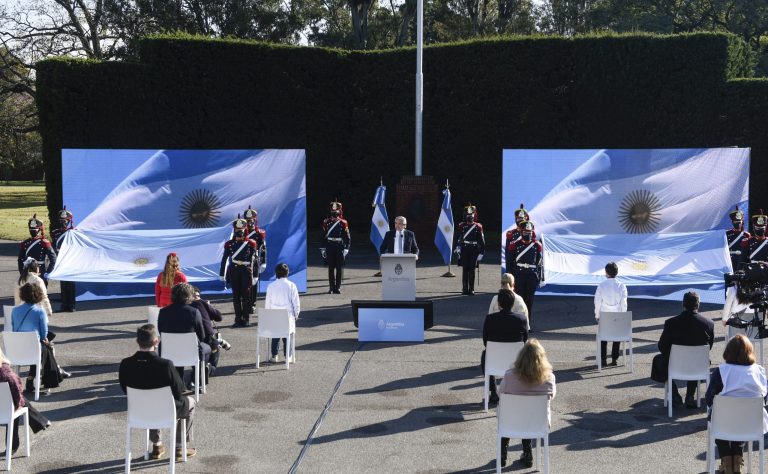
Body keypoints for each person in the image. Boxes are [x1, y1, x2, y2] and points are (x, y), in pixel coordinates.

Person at [119, 324, 196, 461]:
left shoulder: (125, 363)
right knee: (190, 402)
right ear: (156, 341)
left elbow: (124, 388)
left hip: (139, 411)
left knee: (149, 401)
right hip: (166, 410)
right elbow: (178, 391)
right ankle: (179, 446)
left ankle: (157, 445)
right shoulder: (165, 364)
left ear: (138, 341)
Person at [705, 334, 768, 474]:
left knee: (719, 416)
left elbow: (709, 398)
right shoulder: (759, 371)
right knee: (742, 418)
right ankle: (737, 459)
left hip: (724, 422)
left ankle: (726, 460)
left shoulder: (721, 371)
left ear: (728, 351)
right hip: (751, 424)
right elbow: (765, 399)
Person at [498, 339, 556, 468]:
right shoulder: (549, 378)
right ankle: (527, 452)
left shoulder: (509, 376)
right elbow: (551, 397)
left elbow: (500, 394)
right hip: (538, 423)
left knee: (508, 411)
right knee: (530, 412)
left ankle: (502, 453)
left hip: (511, 422)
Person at [657, 291, 714, 408]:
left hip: (675, 364)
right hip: (698, 364)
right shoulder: (708, 324)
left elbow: (662, 346)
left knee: (659, 360)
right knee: (697, 358)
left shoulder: (671, 323)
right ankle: (690, 395)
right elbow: (709, 347)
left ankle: (674, 393)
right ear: (698, 305)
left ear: (683, 304)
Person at [11, 283, 65, 393]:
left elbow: (14, 328)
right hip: (33, 347)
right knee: (47, 345)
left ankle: (31, 379)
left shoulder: (15, 310)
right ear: (38, 295)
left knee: (41, 345)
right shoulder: (39, 311)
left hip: (18, 347)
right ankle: (54, 374)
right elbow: (44, 334)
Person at [0, 346, 51, 455]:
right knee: (15, 403)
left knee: (13, 401)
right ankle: (12, 447)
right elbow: (17, 390)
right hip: (4, 410)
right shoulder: (5, 373)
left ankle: (41, 421)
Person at [157, 283, 211, 384]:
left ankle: (178, 382)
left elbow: (161, 331)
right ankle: (197, 380)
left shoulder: (163, 312)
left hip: (168, 350)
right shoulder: (194, 312)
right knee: (207, 348)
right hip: (190, 350)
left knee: (177, 350)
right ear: (189, 296)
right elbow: (201, 336)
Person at [481, 289, 528, 406]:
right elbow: (525, 340)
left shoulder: (490, 319)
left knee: (485, 355)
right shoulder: (521, 320)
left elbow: (485, 341)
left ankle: (493, 391)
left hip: (494, 362)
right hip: (516, 361)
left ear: (499, 304)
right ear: (513, 303)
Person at [219, 218, 259, 328]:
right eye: (237, 232)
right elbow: (224, 259)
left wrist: (255, 275)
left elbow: (255, 261)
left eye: (241, 232)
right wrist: (222, 273)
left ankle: (246, 318)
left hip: (246, 271)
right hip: (234, 271)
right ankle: (238, 318)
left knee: (246, 296)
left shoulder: (251, 243)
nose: (239, 235)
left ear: (244, 231)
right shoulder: (229, 244)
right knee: (236, 296)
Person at [508, 221, 543, 328]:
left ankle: (527, 324)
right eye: (525, 232)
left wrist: (540, 278)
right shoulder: (515, 245)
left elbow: (540, 263)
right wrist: (511, 277)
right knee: (519, 300)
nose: (528, 234)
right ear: (521, 232)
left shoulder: (537, 245)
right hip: (519, 275)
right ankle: (518, 324)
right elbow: (510, 262)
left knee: (529, 301)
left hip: (531, 276)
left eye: (529, 232)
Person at [265, 263, 300, 363]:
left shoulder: (271, 286)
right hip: (287, 317)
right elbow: (296, 303)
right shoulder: (292, 286)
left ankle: (274, 355)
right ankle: (287, 355)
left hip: (275, 316)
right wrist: (296, 315)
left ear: (276, 273)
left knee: (275, 335)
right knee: (287, 335)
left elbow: (268, 303)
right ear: (287, 273)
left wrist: (268, 316)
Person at [594, 262, 628, 366]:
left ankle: (603, 359)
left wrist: (597, 315)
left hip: (605, 316)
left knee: (603, 337)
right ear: (616, 273)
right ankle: (614, 359)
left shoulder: (601, 285)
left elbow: (597, 302)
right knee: (617, 336)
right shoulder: (622, 286)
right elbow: (624, 304)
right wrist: (623, 316)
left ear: (606, 273)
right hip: (617, 317)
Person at [189, 286, 229, 372]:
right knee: (215, 350)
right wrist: (208, 306)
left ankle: (197, 369)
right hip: (207, 336)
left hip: (190, 340)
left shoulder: (184, 306)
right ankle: (209, 368)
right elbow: (219, 317)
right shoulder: (202, 303)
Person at [50, 207, 77, 312]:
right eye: (61, 221)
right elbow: (54, 246)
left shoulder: (73, 232)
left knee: (70, 283)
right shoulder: (55, 232)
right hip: (60, 260)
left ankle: (72, 305)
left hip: (70, 260)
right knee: (63, 284)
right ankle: (64, 305)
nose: (62, 223)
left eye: (64, 221)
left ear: (69, 221)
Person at [454, 204, 485, 295]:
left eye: (471, 215)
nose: (469, 217)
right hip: (464, 249)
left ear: (474, 215)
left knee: (472, 269)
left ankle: (471, 289)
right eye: (468, 215)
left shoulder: (478, 226)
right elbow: (459, 237)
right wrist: (458, 247)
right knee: (465, 269)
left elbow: (481, 241)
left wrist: (481, 253)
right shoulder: (462, 226)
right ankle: (464, 288)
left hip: (474, 250)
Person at [321, 200, 351, 294]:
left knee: (339, 268)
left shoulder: (343, 222)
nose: (334, 216)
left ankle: (337, 288)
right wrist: (323, 248)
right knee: (330, 268)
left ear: (339, 212)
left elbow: (347, 236)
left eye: (336, 213)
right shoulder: (326, 222)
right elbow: (323, 236)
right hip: (330, 246)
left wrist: (346, 248)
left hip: (339, 246)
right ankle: (331, 287)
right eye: (333, 213)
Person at [17, 215, 56, 286]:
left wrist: (48, 272)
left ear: (39, 230)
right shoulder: (25, 243)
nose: (32, 232)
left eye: (34, 230)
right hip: (28, 273)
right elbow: (20, 259)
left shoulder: (44, 242)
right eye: (31, 230)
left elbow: (53, 258)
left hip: (41, 272)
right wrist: (22, 272)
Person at [243, 206, 267, 311]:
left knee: (253, 283)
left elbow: (263, 248)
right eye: (248, 221)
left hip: (254, 260)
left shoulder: (259, 234)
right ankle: (245, 302)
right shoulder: (240, 233)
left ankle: (252, 303)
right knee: (243, 283)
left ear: (255, 221)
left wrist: (263, 262)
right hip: (243, 261)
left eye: (251, 221)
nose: (250, 223)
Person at [504, 203, 532, 272]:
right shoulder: (511, 234)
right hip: (516, 268)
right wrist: (508, 272)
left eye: (522, 219)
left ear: (526, 219)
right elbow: (508, 256)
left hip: (530, 268)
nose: (520, 221)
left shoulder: (532, 233)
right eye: (518, 219)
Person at [726, 206, 749, 272]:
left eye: (739, 222)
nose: (738, 223)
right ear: (732, 222)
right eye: (736, 222)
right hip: (730, 260)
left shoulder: (746, 235)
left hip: (741, 260)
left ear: (742, 222)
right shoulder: (727, 233)